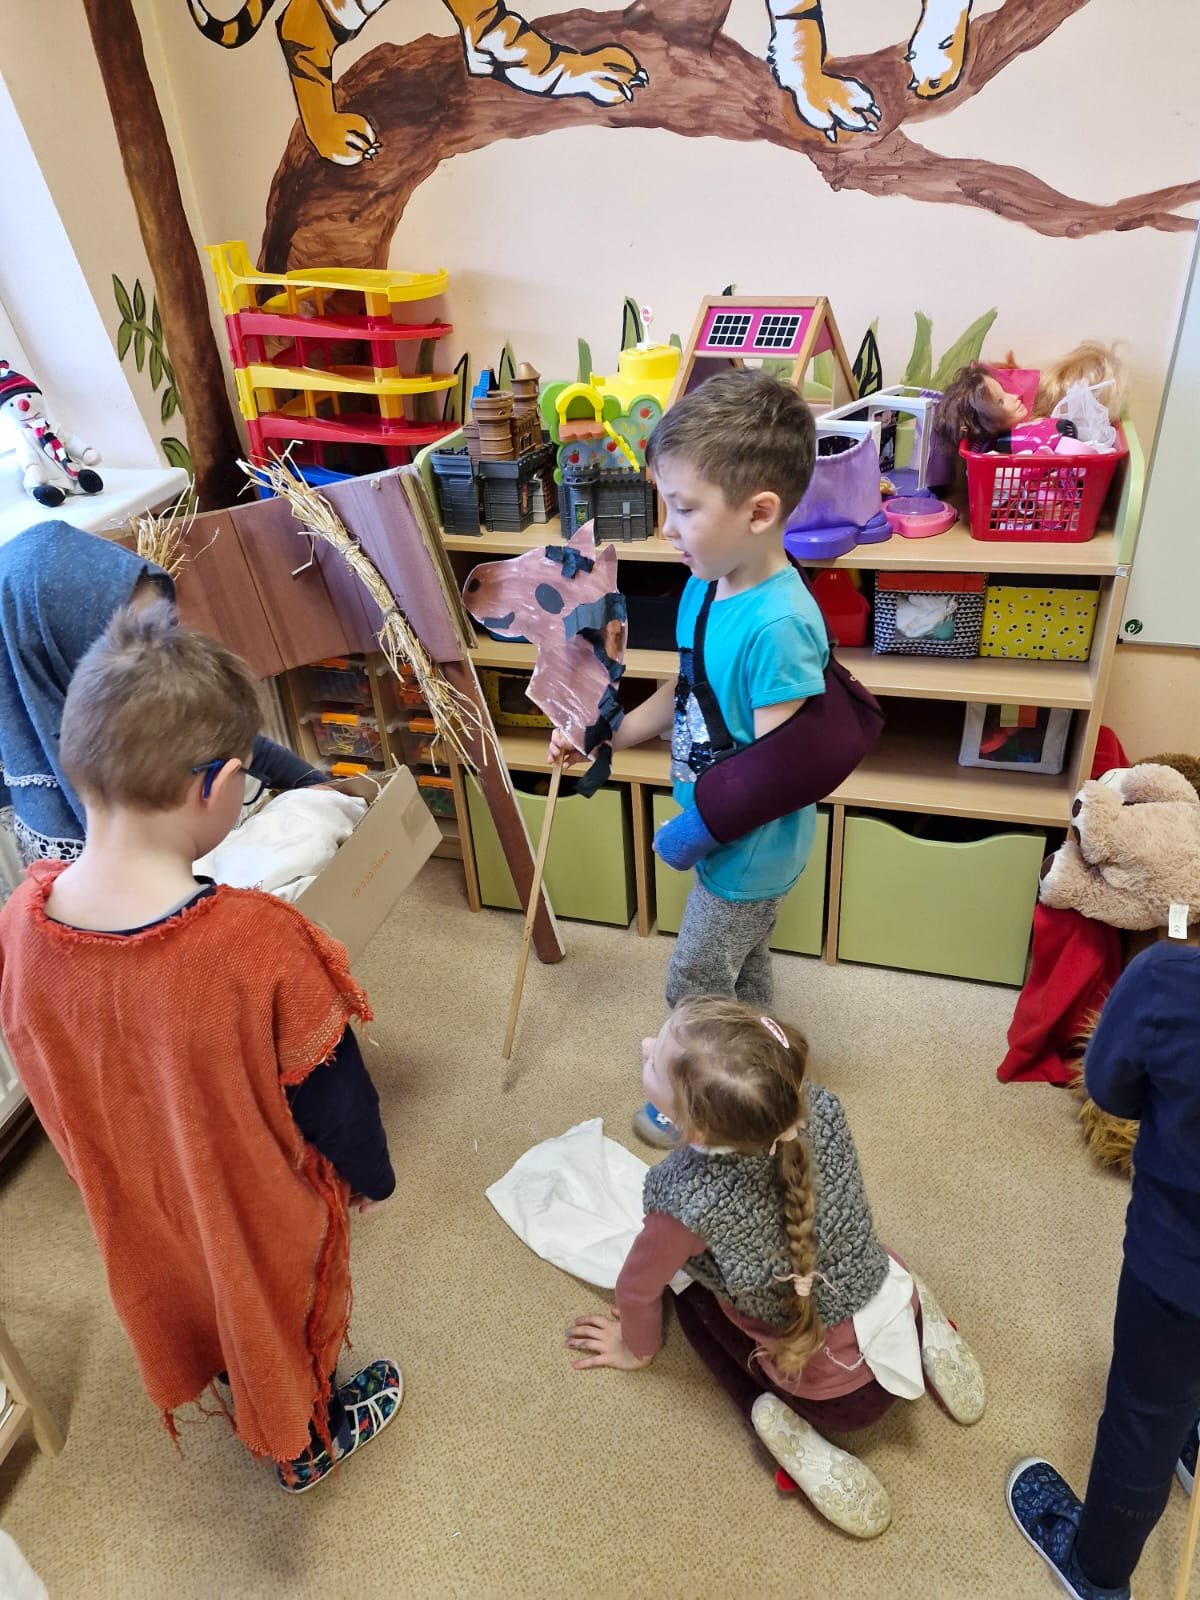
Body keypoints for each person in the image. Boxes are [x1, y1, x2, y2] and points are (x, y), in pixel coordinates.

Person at [0, 602, 401, 1492]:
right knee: (276, 1306)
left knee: (202, 1295)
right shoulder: (258, 941)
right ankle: (307, 1441)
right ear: (219, 786)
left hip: (137, 1202)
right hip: (249, 1202)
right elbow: (336, 1095)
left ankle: (239, 1384)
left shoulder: (21, 921)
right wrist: (370, 1178)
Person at [565, 998, 985, 1539]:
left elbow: (636, 1287)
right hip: (893, 1305)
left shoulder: (685, 1202)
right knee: (843, 1242)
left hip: (834, 1402)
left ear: (696, 1131)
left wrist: (635, 1347)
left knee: (688, 1295)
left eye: (653, 1061)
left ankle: (768, 1413)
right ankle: (926, 1320)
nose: (645, 1046)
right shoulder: (820, 1106)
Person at [550, 370, 829, 1148]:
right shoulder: (707, 586)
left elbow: (778, 773)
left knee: (697, 980)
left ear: (759, 512)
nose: (666, 527)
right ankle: (762, 1078)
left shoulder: (779, 626)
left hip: (748, 851)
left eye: (684, 507)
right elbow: (688, 690)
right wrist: (603, 733)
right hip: (722, 834)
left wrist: (692, 832)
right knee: (744, 973)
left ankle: (694, 1099)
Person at [1007, 935, 1200, 1600]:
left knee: (1143, 1416)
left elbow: (1110, 1088)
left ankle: (1098, 1571)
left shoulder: (1168, 980)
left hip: (1178, 1270)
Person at [0, 518, 323, 866]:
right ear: (64, 653)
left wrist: (318, 785)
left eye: (165, 630)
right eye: (137, 645)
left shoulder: (136, 696)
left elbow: (221, 734)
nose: (163, 658)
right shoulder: (67, 850)